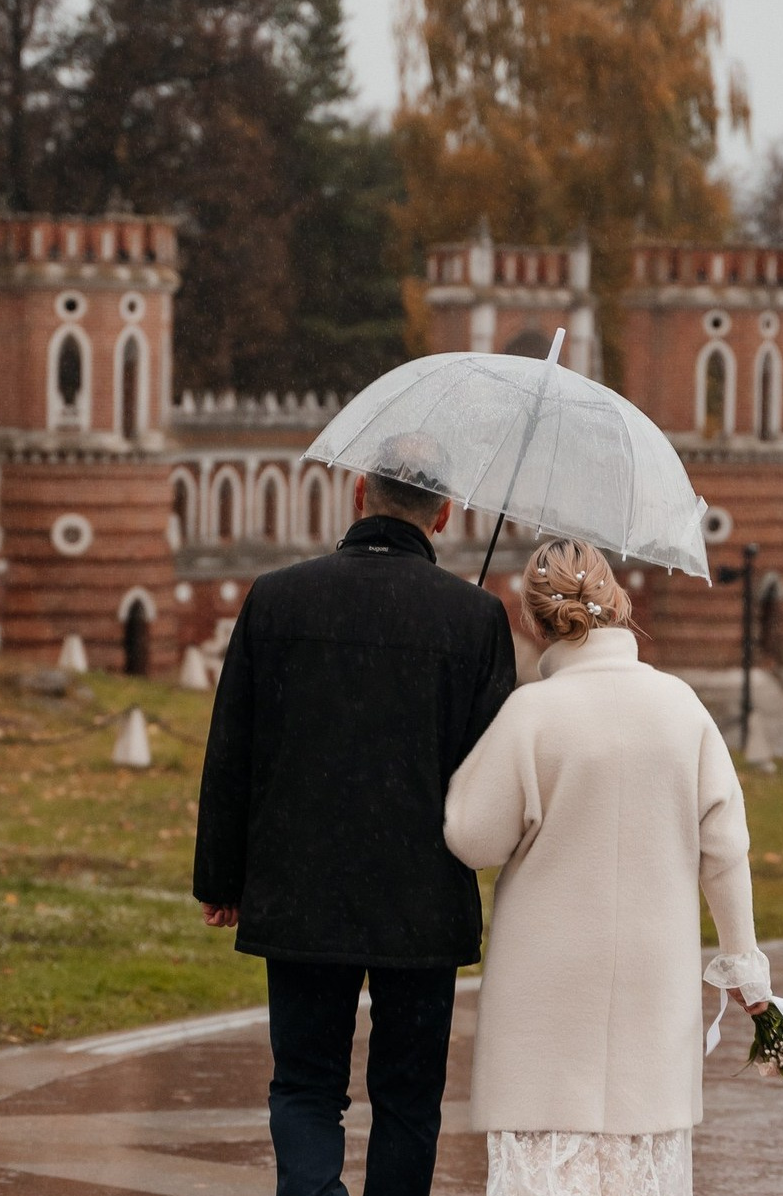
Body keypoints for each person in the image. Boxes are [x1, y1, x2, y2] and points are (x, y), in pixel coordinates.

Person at [193, 432, 518, 1196]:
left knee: (305, 1084)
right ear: (443, 517)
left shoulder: (277, 597)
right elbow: (491, 772)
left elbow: (232, 747)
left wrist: (222, 877)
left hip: (300, 884)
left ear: (358, 497)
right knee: (407, 1098)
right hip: (421, 897)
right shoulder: (475, 619)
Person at [443, 537, 772, 1196]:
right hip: (654, 976)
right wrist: (742, 960)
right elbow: (725, 844)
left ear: (536, 622)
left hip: (547, 982)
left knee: (549, 1153)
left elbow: (472, 839)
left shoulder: (531, 715)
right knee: (638, 1152)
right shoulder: (682, 708)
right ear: (617, 604)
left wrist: (461, 766)